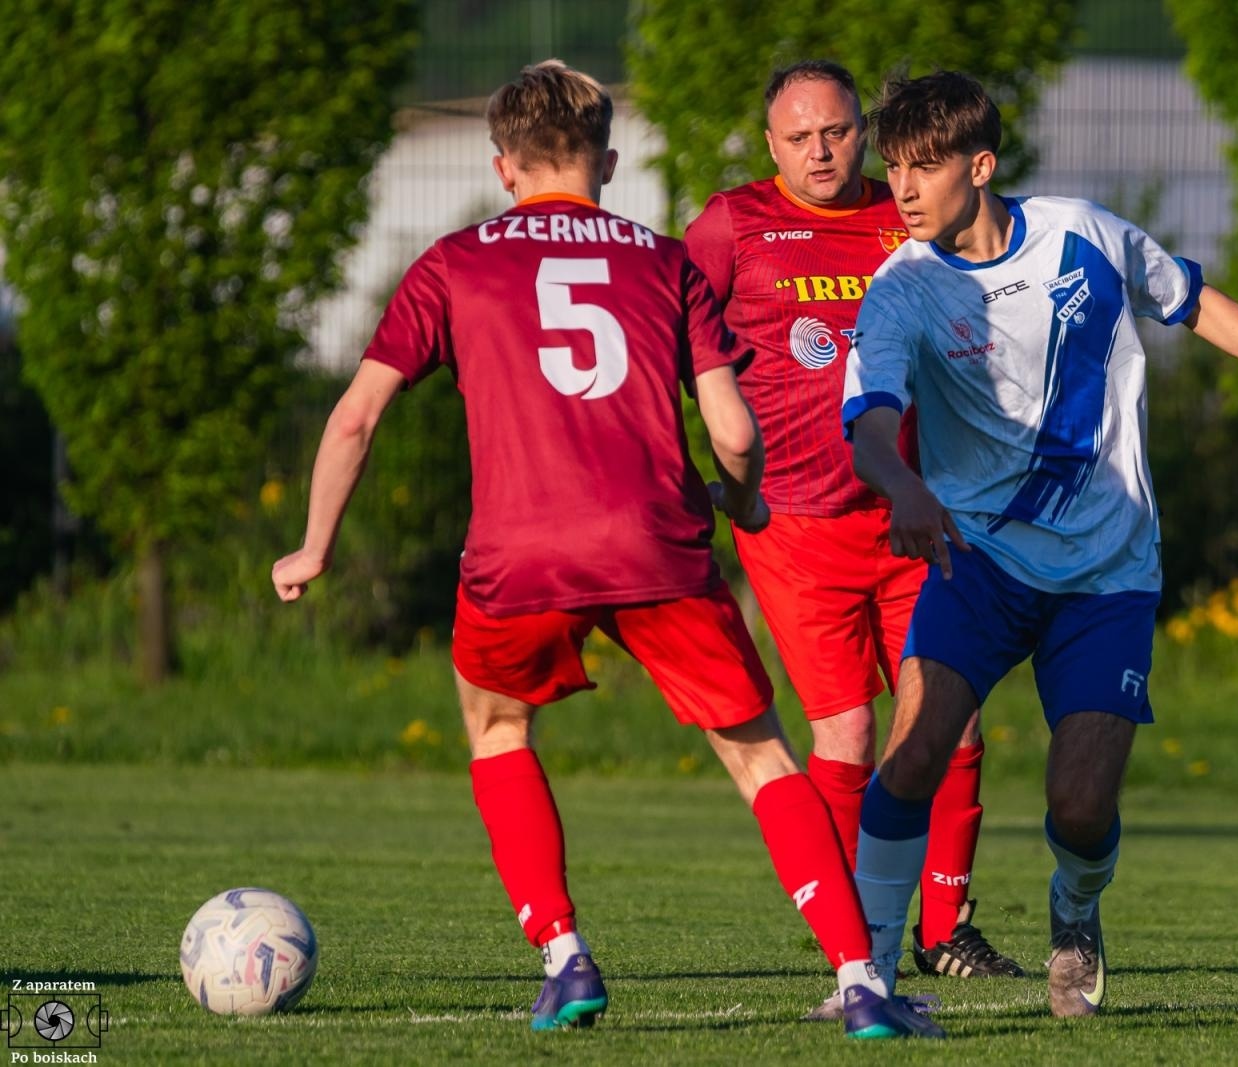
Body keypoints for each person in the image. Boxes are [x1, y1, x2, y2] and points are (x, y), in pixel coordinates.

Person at [271, 60, 940, 1041]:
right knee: (762, 756)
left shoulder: (453, 263)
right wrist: (743, 500)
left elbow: (355, 418)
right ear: (609, 162)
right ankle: (859, 978)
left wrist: (313, 546)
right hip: (657, 540)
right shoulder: (665, 263)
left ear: (503, 167)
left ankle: (563, 953)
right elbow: (734, 429)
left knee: (499, 730)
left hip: (518, 550)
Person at [842, 71, 1238, 1020]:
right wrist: (905, 484)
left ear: (981, 165)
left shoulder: (1083, 235)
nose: (904, 190)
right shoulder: (903, 289)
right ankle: (868, 973)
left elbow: (1193, 301)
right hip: (980, 563)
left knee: (1082, 806)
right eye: (894, 168)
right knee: (914, 752)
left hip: (1107, 571)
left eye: (925, 167)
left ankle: (1076, 911)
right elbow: (871, 423)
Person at [683, 60, 1022, 992]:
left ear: (862, 133)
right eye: (799, 137)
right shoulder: (730, 225)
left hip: (914, 516)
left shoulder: (904, 214)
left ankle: (946, 929)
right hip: (795, 528)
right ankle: (855, 944)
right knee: (848, 738)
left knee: (955, 722)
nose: (820, 151)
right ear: (770, 145)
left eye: (836, 131)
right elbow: (668, 339)